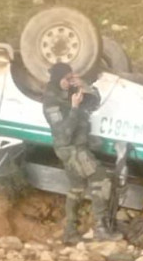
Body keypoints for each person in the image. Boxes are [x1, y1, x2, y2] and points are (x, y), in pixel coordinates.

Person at [42, 62, 120, 244]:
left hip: (78, 147)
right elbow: (64, 132)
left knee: (77, 188)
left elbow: (94, 103)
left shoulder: (68, 93)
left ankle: (70, 231)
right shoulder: (51, 102)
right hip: (71, 149)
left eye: (71, 78)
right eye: (66, 79)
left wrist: (84, 85)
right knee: (100, 178)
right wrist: (75, 108)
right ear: (58, 79)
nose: (69, 82)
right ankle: (101, 228)